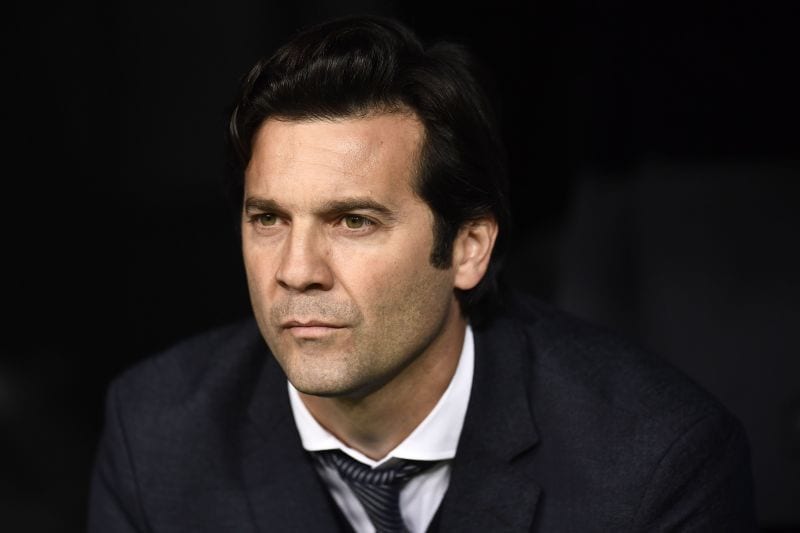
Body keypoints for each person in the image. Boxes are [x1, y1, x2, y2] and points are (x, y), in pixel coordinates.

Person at [88, 15, 756, 532]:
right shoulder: (156, 433)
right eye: (268, 219)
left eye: (353, 221)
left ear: (468, 248)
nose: (296, 271)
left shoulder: (654, 460)